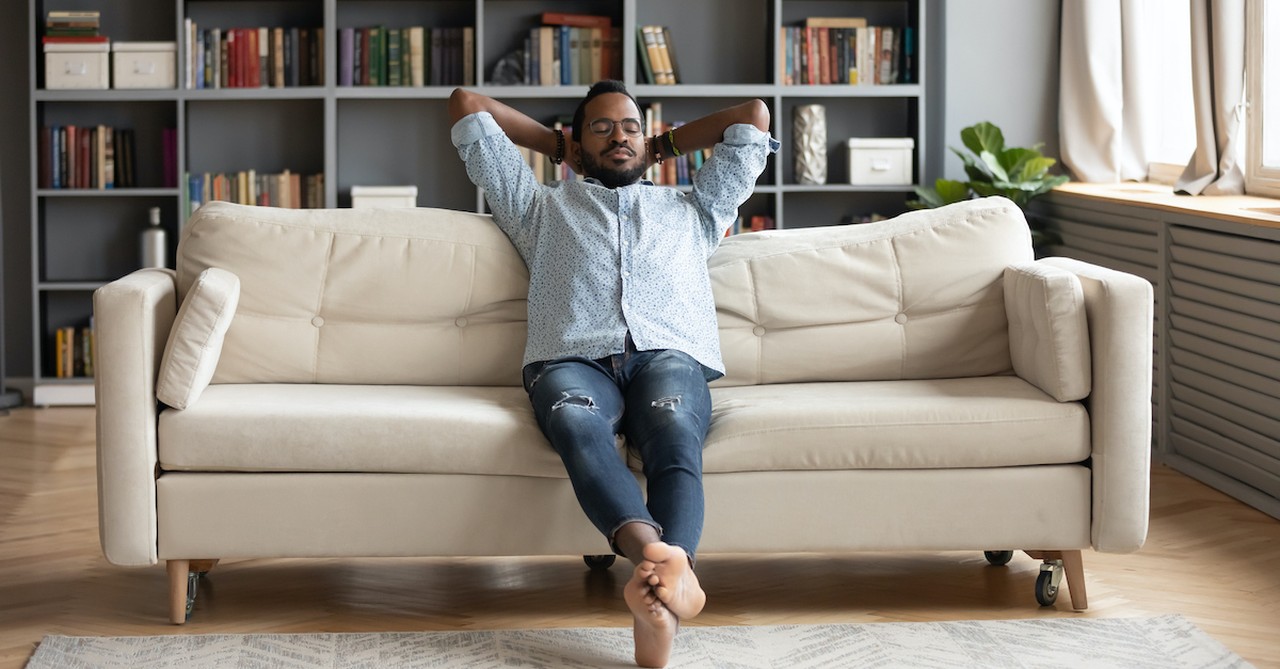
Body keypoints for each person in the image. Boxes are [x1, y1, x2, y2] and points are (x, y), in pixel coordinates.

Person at [448, 80, 776, 668]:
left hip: (668, 356)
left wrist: (664, 143)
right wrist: (559, 145)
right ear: (578, 145)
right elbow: (468, 106)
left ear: (647, 140)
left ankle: (657, 606)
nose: (618, 135)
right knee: (574, 422)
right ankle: (661, 561)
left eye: (629, 126)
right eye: (601, 127)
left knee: (675, 432)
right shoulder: (539, 207)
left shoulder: (697, 209)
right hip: (571, 360)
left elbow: (752, 116)